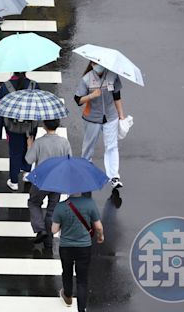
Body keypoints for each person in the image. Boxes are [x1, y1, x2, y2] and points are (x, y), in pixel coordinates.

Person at [74, 61, 125, 189]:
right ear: (91, 65)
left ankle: (114, 176)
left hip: (110, 117)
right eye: (95, 64)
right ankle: (85, 173)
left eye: (100, 64)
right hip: (92, 118)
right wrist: (92, 95)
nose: (98, 66)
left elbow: (117, 96)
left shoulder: (112, 76)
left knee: (112, 146)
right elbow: (78, 100)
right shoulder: (86, 79)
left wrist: (121, 115)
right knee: (88, 147)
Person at [52, 193, 104, 312]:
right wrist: (100, 237)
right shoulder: (90, 204)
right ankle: (81, 309)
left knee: (67, 272)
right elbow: (99, 227)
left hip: (66, 247)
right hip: (84, 247)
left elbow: (54, 230)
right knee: (82, 279)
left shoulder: (60, 206)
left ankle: (68, 296)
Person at [26, 119, 72, 248]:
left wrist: (30, 145)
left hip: (41, 179)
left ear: (44, 125)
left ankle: (40, 229)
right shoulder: (64, 142)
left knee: (34, 202)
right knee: (52, 210)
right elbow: (69, 160)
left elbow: (28, 160)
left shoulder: (39, 142)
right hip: (57, 180)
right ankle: (49, 240)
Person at [0, 72, 39, 191]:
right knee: (29, 148)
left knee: (15, 152)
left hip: (12, 126)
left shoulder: (6, 86)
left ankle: (14, 180)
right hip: (30, 125)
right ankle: (27, 172)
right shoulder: (34, 85)